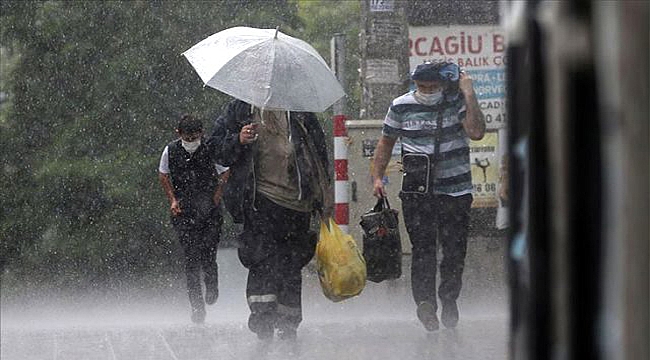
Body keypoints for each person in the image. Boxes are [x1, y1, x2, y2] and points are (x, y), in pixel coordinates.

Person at [371, 61, 486, 331]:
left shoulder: (456, 102)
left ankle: (448, 298)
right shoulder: (401, 105)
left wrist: (468, 93)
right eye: (422, 86)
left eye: (432, 87)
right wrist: (377, 177)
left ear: (444, 84)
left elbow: (476, 132)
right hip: (417, 192)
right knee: (423, 249)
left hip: (455, 191)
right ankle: (425, 303)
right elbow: (385, 142)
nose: (427, 91)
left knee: (454, 251)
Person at [208, 99, 333, 340]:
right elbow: (216, 150)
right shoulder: (240, 109)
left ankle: (288, 323)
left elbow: (318, 154)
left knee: (290, 264)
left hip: (297, 203)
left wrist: (323, 198)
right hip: (259, 200)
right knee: (262, 260)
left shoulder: (299, 110)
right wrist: (238, 140)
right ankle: (262, 319)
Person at [158, 114, 229, 324]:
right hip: (184, 211)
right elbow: (163, 175)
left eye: (195, 137)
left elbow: (225, 172)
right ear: (178, 134)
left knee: (208, 251)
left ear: (201, 134)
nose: (191, 142)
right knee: (191, 258)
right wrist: (172, 199)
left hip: (209, 209)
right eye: (187, 138)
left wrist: (217, 194)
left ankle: (212, 282)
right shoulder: (170, 150)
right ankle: (197, 306)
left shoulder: (210, 149)